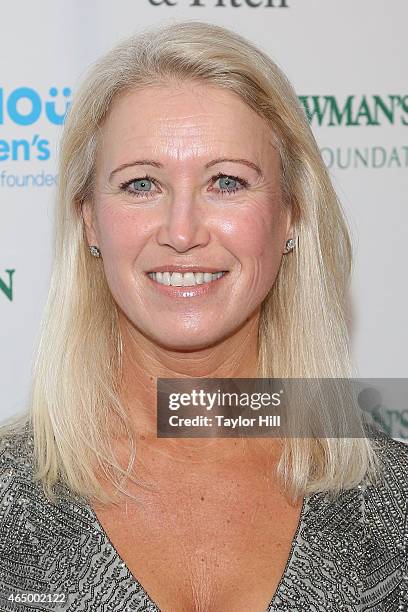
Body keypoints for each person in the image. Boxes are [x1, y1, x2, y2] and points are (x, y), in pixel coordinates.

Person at [0, 20, 407, 612]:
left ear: (291, 214)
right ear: (89, 218)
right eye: (141, 184)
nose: (183, 233)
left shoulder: (394, 500)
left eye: (226, 182)